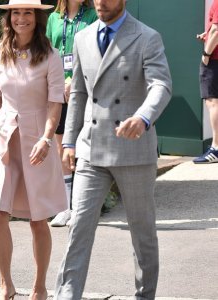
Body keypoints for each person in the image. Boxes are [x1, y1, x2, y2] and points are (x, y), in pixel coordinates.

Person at [54, 0, 172, 299]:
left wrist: (144, 116)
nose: (100, 2)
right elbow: (79, 93)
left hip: (133, 149)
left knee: (141, 233)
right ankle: (67, 295)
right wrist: (69, 141)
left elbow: (161, 84)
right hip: (91, 149)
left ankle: (144, 295)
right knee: (78, 227)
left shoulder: (146, 36)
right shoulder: (82, 37)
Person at [0, 1, 67, 299]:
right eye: (16, 13)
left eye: (28, 12)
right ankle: (6, 285)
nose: (21, 18)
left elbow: (56, 102)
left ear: (37, 17)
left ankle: (39, 287)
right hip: (4, 141)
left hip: (37, 142)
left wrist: (46, 138)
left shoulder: (51, 56)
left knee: (38, 218)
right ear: (9, 17)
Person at [46, 0, 97, 227]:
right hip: (57, 90)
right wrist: (58, 81)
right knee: (60, 147)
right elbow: (48, 53)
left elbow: (96, 52)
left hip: (84, 89)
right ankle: (65, 207)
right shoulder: (53, 19)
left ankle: (81, 207)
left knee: (83, 147)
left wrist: (73, 80)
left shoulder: (93, 16)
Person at [194, 0, 218, 164]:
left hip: (215, 59)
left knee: (213, 102)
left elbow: (217, 30)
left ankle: (216, 148)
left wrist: (206, 54)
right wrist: (208, 34)